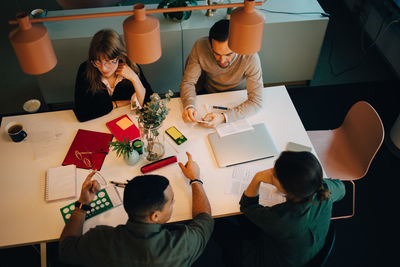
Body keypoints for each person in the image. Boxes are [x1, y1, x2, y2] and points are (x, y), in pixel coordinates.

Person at [59, 152, 213, 267]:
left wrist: (82, 204)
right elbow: (204, 219)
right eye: (171, 202)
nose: (174, 202)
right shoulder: (182, 245)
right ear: (155, 216)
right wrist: (195, 179)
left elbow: (65, 249)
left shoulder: (99, 240)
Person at [236, 151, 346, 267]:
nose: (272, 171)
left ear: (287, 189)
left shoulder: (281, 220)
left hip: (269, 260)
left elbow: (247, 206)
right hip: (309, 252)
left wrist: (257, 178)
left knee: (226, 232)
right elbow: (342, 189)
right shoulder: (323, 191)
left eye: (275, 174)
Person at [180, 19, 264, 128]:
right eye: (217, 54)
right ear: (210, 45)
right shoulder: (200, 46)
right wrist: (189, 106)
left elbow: (256, 102)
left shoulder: (250, 56)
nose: (222, 60)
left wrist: (223, 117)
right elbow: (188, 83)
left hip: (238, 98)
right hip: (210, 95)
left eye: (228, 54)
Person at [74, 29, 154, 122]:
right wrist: (116, 104)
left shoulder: (132, 68)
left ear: (119, 56)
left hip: (128, 122)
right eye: (98, 61)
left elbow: (151, 106)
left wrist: (135, 79)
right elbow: (81, 113)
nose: (103, 68)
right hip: (97, 123)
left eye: (109, 62)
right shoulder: (85, 69)